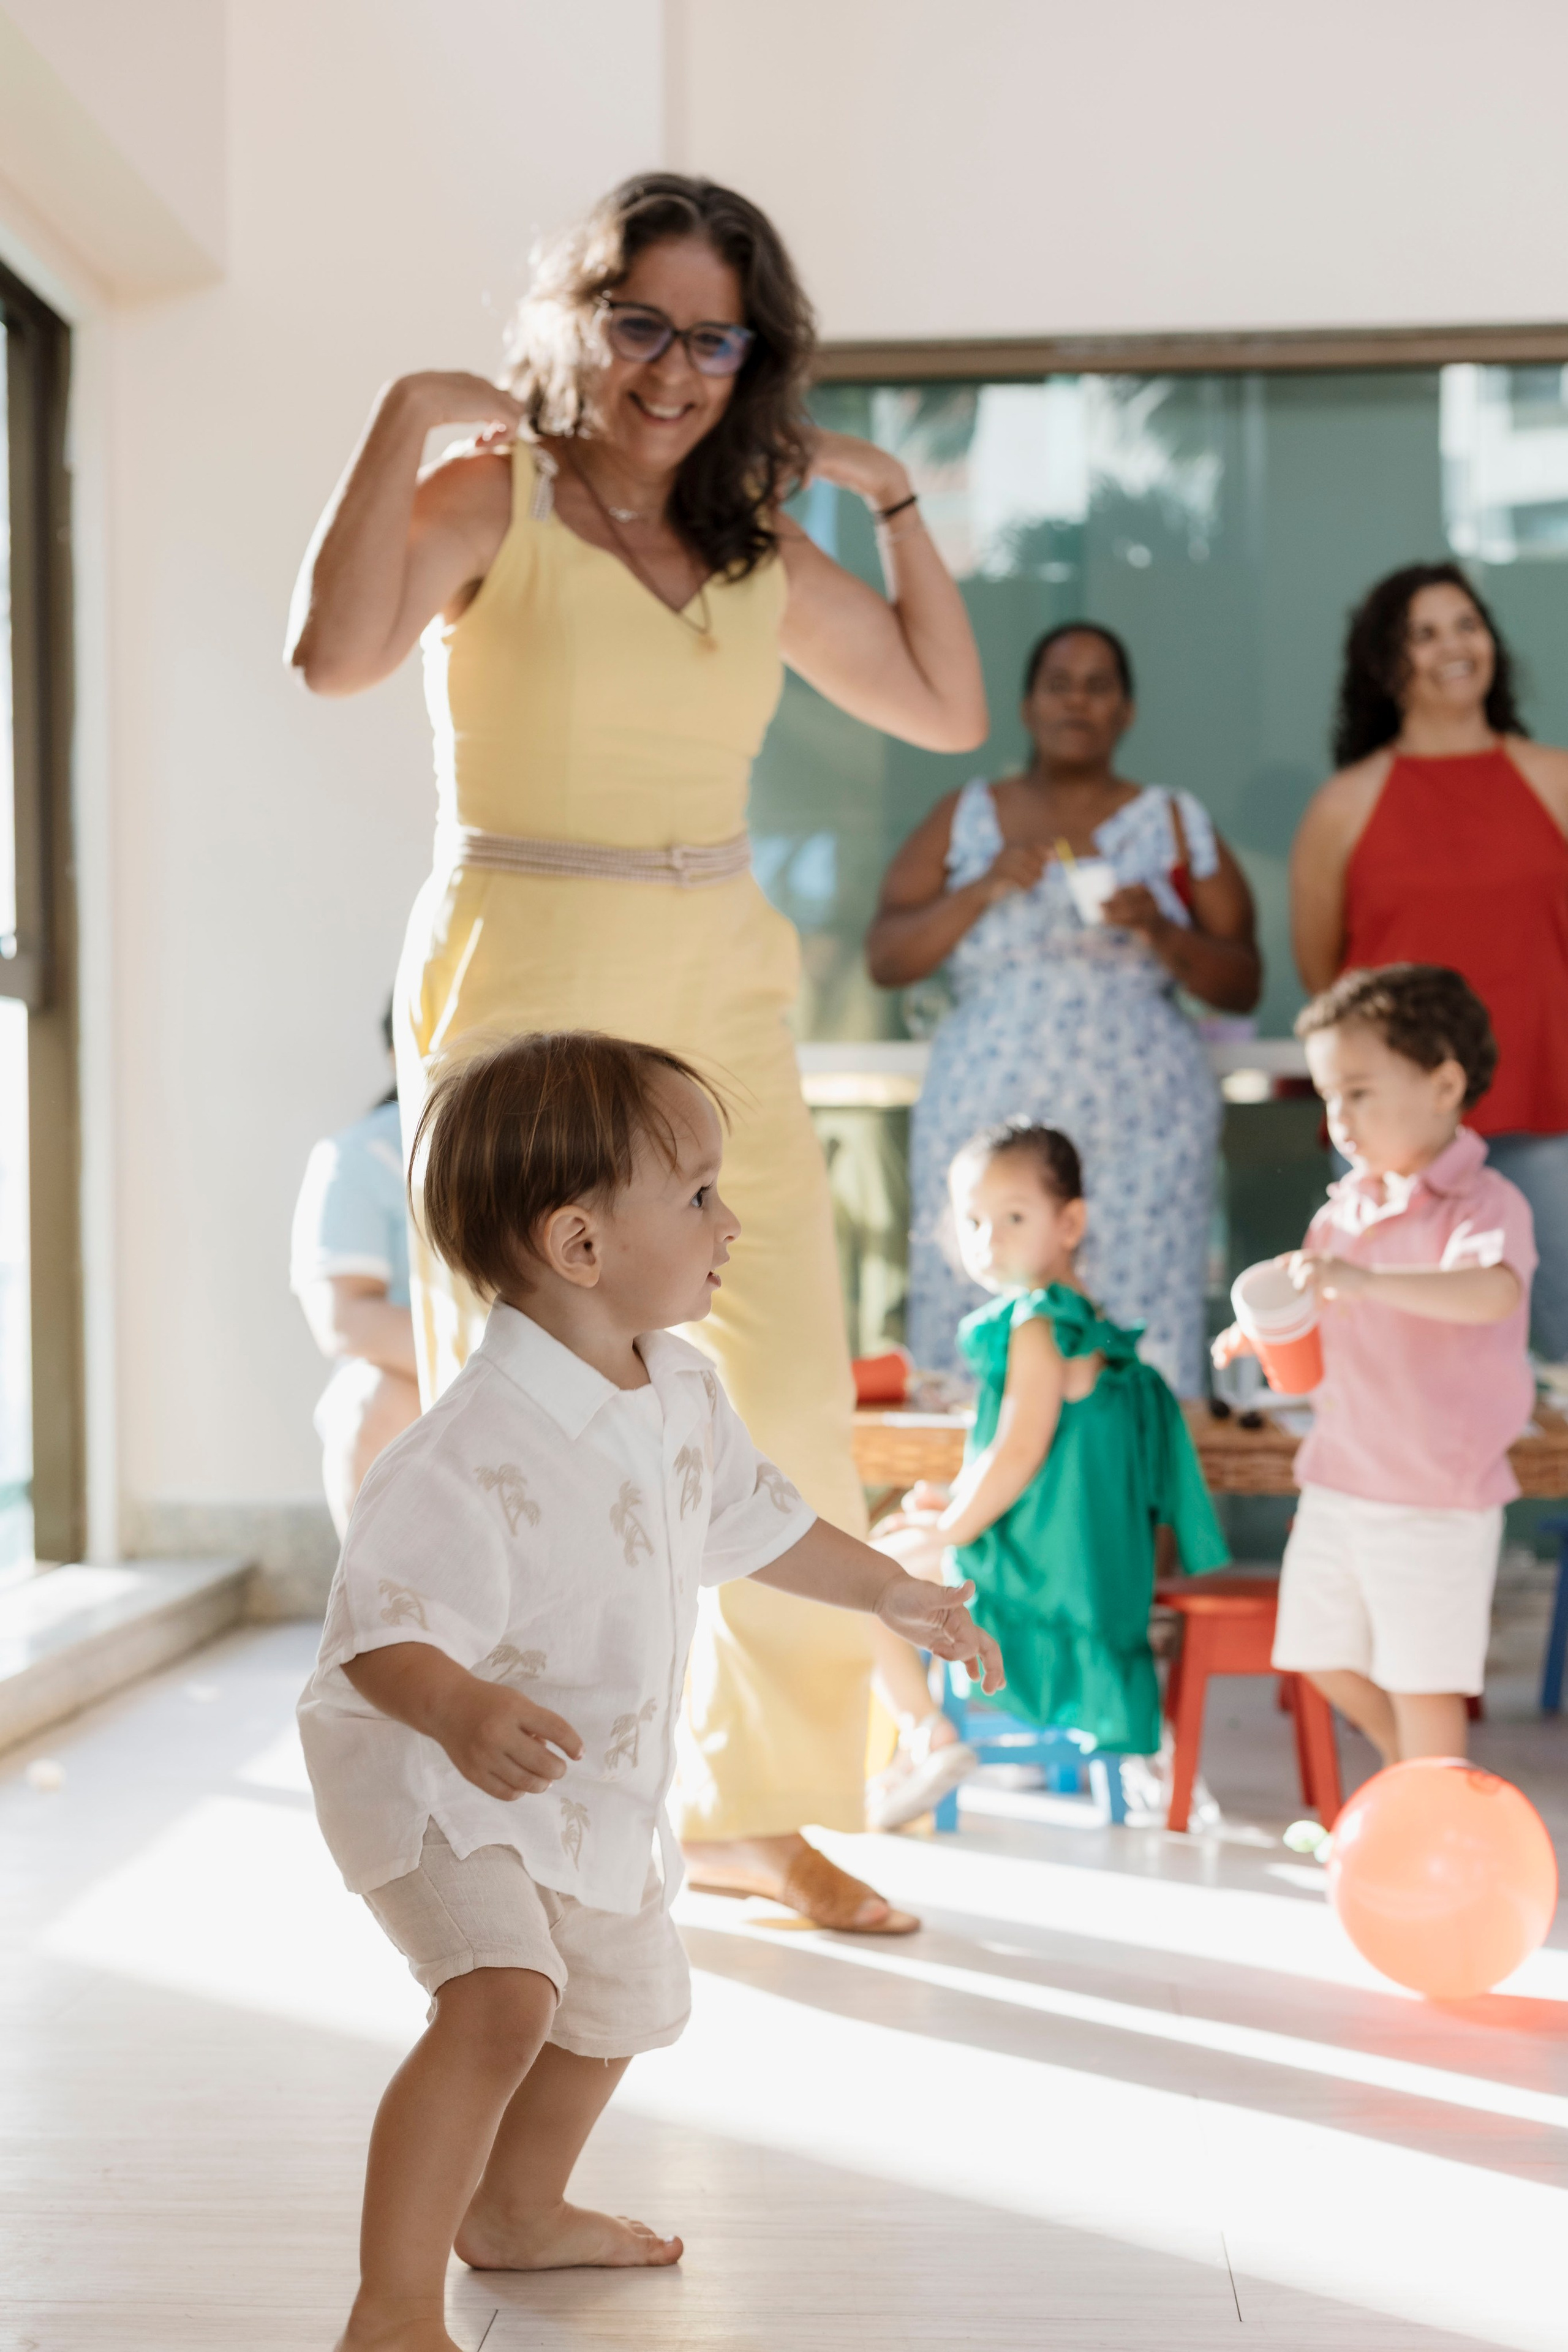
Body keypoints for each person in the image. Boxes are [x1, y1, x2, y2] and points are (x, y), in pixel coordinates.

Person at [285, 174, 987, 1934]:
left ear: (755, 360)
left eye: (714, 339)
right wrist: (400, 419)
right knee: (519, 1407)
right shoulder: (490, 497)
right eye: (641, 324)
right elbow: (331, 657)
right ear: (581, 323)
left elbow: (943, 708)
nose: (672, 371)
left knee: (785, 1389)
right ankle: (505, 1787)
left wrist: (891, 497)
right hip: (520, 962)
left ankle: (751, 1809)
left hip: (716, 976)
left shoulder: (754, 554)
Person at [297, 1030, 1003, 2352]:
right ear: (579, 1244)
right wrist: (458, 1711)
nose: (728, 1222)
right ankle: (389, 2311)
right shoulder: (464, 1452)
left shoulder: (681, 1389)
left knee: (613, 2001)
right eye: (697, 1195)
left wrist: (890, 1594)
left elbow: (760, 1523)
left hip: (593, 1779)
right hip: (437, 1774)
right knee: (503, 2001)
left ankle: (515, 2211)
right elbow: (375, 1639)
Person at [869, 621, 1259, 1398]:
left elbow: (1242, 980)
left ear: (1126, 710)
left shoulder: (1172, 820)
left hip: (1141, 1127)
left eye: (1098, 685)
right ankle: (991, 1469)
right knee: (985, 1305)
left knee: (1137, 1314)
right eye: (1058, 684)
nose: (1077, 701)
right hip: (987, 1115)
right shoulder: (966, 816)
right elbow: (886, 957)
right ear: (1026, 706)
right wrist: (981, 888)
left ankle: (1133, 1469)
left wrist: (1157, 927)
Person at [1214, 965, 1534, 1766]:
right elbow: (1318, 1312)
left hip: (1435, 1495)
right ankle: (1413, 1778)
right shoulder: (1343, 1211)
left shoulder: (1485, 1203)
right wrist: (1261, 1335)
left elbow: (1494, 1292)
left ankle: (1428, 1805)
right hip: (1339, 1479)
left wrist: (1367, 1281)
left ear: (1444, 1085)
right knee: (1316, 1652)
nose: (1339, 1118)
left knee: (1423, 1683)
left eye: (1358, 1092)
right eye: (1328, 1096)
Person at [867, 1118, 1227, 1829]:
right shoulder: (1092, 1325)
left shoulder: (1036, 1322)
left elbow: (1017, 1453)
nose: (988, 1240)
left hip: (1044, 1586)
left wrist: (951, 1526)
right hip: (1091, 1578)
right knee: (904, 1537)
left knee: (870, 1577)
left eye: (1013, 1218)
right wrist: (954, 1505)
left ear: (1069, 1224)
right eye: (973, 1221)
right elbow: (1048, 1471)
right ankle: (925, 1743)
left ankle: (928, 1739)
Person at [1291, 562, 1568, 1366]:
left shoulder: (1555, 780)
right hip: (1395, 1126)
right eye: (1424, 633)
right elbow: (1324, 974)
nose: (1454, 646)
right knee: (1403, 1354)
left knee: (1563, 1345)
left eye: (1466, 625)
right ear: (1386, 664)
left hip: (1549, 1106)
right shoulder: (1343, 805)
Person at [290, 1006, 420, 1534]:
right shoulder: (358, 1157)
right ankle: (382, 1588)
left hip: (552, 1366)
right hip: (425, 1381)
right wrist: (492, 1369)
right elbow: (344, 1319)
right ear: (398, 1054)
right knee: (369, 1402)